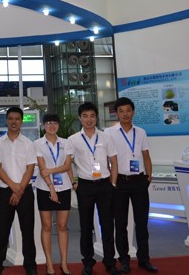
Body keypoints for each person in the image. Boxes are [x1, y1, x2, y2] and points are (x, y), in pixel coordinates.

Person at [65, 102, 120, 275]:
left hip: (105, 185)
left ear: (96, 118)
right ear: (80, 118)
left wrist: (113, 183)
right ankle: (87, 262)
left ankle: (110, 262)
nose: (89, 120)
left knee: (107, 225)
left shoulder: (105, 137)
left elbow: (114, 161)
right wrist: (74, 184)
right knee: (86, 225)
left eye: (92, 116)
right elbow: (68, 164)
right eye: (85, 116)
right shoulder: (73, 140)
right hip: (85, 186)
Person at [105, 97, 158, 273]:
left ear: (133, 112)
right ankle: (124, 259)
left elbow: (146, 156)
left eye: (128, 110)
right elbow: (106, 158)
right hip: (119, 182)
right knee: (120, 224)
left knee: (142, 223)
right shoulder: (109, 133)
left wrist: (148, 177)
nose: (125, 114)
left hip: (139, 181)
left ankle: (144, 259)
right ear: (116, 113)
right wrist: (111, 180)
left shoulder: (141, 132)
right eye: (121, 111)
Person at [0, 106, 38, 275]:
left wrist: (19, 190)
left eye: (17, 119)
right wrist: (13, 187)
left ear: (21, 121)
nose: (14, 122)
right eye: (10, 119)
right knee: (2, 231)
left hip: (25, 192)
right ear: (6, 121)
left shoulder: (29, 144)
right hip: (5, 192)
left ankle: (30, 266)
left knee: (28, 231)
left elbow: (30, 169)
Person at [34, 113, 74, 275]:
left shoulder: (66, 143)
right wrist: (51, 188)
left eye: (55, 123)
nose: (52, 126)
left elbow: (67, 166)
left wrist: (51, 171)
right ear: (43, 125)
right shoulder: (37, 144)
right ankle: (49, 263)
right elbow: (41, 168)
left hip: (64, 187)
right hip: (44, 188)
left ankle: (64, 263)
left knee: (62, 226)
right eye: (48, 123)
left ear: (58, 125)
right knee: (46, 226)